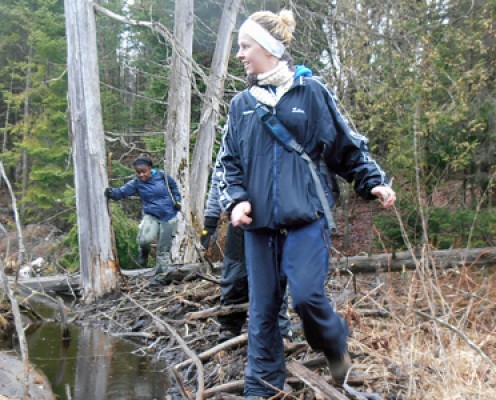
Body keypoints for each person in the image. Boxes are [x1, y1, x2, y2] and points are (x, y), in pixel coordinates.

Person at [218, 9, 397, 399]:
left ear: (267, 48)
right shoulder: (241, 105)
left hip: (307, 218)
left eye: (245, 46)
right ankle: (260, 389)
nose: (240, 55)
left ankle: (336, 348)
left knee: (306, 296)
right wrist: (236, 201)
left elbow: (346, 145)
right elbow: (228, 163)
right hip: (259, 226)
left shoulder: (311, 92)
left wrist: (373, 182)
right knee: (263, 314)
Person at [202, 152, 292, 343]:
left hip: (276, 218)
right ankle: (230, 326)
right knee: (235, 274)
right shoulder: (234, 134)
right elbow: (221, 176)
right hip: (240, 220)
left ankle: (279, 328)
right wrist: (210, 219)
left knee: (275, 275)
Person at [105, 155, 181, 275]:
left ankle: (161, 276)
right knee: (144, 240)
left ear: (150, 168)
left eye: (144, 172)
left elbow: (174, 187)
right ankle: (144, 252)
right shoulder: (136, 183)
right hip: (151, 215)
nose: (141, 175)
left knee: (163, 249)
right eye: (138, 172)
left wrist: (177, 201)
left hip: (169, 215)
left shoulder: (162, 176)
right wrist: (111, 193)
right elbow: (122, 192)